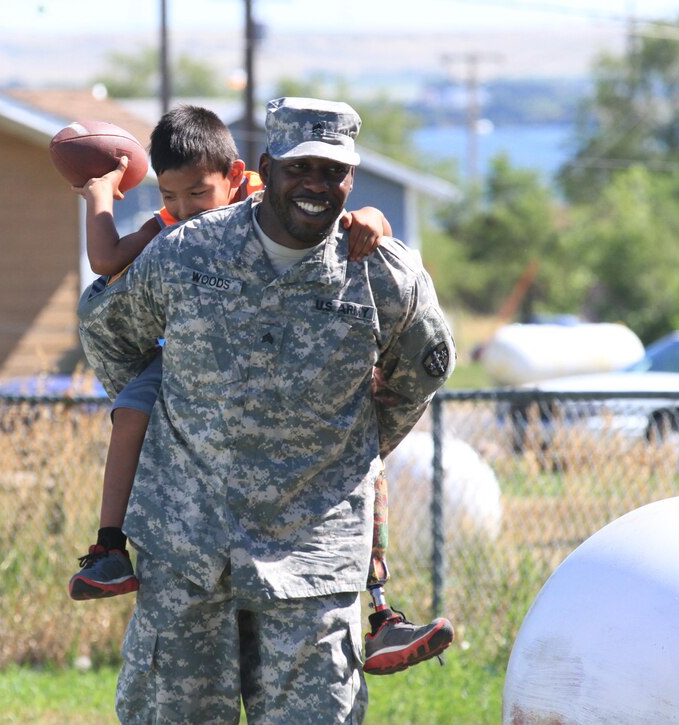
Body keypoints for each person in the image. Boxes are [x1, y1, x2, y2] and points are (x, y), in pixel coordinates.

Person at [77, 97, 456, 722]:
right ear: (264, 168)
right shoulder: (188, 253)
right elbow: (106, 328)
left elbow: (421, 371)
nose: (315, 184)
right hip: (189, 556)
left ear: (350, 179)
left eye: (331, 171)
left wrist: (353, 449)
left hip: (314, 569)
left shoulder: (382, 275)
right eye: (298, 167)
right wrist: (170, 410)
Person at [67, 104, 388, 598]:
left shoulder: (270, 201)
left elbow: (339, 221)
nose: (186, 207)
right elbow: (107, 260)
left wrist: (371, 216)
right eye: (171, 194)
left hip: (290, 358)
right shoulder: (173, 222)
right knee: (131, 408)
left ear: (238, 175)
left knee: (360, 437)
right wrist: (100, 196)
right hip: (198, 357)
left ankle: (378, 589)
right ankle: (110, 547)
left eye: (199, 193)